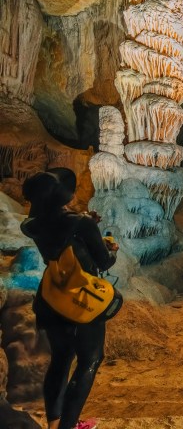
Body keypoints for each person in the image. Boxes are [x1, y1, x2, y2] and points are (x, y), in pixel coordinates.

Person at [21, 168, 118, 429]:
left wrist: (85, 225)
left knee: (61, 360)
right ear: (64, 196)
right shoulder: (80, 223)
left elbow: (59, 236)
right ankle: (69, 426)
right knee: (90, 360)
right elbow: (103, 260)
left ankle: (54, 424)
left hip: (51, 300)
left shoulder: (31, 225)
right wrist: (110, 246)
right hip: (81, 301)